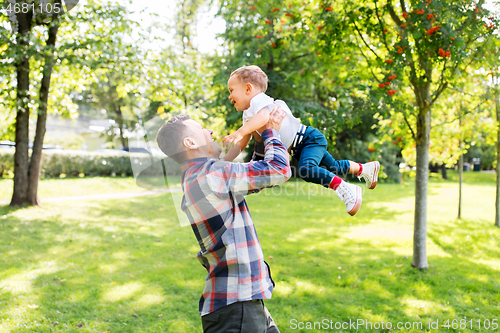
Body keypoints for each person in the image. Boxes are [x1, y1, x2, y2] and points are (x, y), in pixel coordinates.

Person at [156, 108, 290, 333]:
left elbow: (254, 177)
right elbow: (278, 170)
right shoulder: (210, 174)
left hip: (239, 304)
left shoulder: (199, 176)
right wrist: (271, 133)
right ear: (190, 143)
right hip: (236, 308)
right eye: (201, 129)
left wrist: (257, 139)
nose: (209, 130)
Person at [223, 65, 380, 216]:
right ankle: (365, 169)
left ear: (248, 89)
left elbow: (264, 117)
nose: (229, 96)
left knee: (307, 169)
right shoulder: (248, 115)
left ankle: (347, 189)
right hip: (300, 146)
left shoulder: (258, 100)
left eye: (231, 91)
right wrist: (222, 162)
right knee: (333, 168)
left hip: (308, 139)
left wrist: (239, 132)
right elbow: (242, 142)